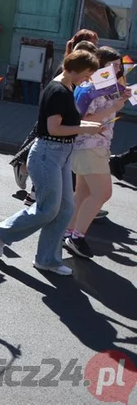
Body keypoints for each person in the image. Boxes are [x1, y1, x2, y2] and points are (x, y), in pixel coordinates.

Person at [0, 50, 104, 275]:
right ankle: (0, 231)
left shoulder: (68, 86)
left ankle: (47, 259)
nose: (87, 80)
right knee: (48, 209)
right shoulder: (58, 90)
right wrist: (84, 128)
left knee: (66, 208)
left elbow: (68, 122)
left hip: (61, 153)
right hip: (47, 154)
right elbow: (53, 128)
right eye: (86, 74)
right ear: (73, 69)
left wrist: (88, 127)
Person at [65, 47, 127, 259]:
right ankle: (76, 237)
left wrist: (122, 96)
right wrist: (114, 107)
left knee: (83, 192)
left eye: (120, 66)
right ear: (99, 64)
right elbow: (84, 119)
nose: (118, 70)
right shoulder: (91, 86)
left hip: (94, 146)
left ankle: (68, 231)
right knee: (102, 193)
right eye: (114, 65)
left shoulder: (105, 86)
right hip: (90, 145)